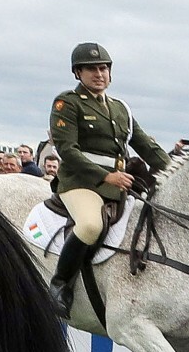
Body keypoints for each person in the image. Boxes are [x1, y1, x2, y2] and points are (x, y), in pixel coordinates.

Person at [43, 42, 169, 315]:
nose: (99, 74)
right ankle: (60, 283)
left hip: (118, 185)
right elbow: (68, 150)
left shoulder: (121, 108)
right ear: (78, 73)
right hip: (79, 182)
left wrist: (174, 171)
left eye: (103, 68)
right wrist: (106, 176)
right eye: (91, 69)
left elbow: (146, 145)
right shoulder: (68, 103)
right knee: (89, 225)